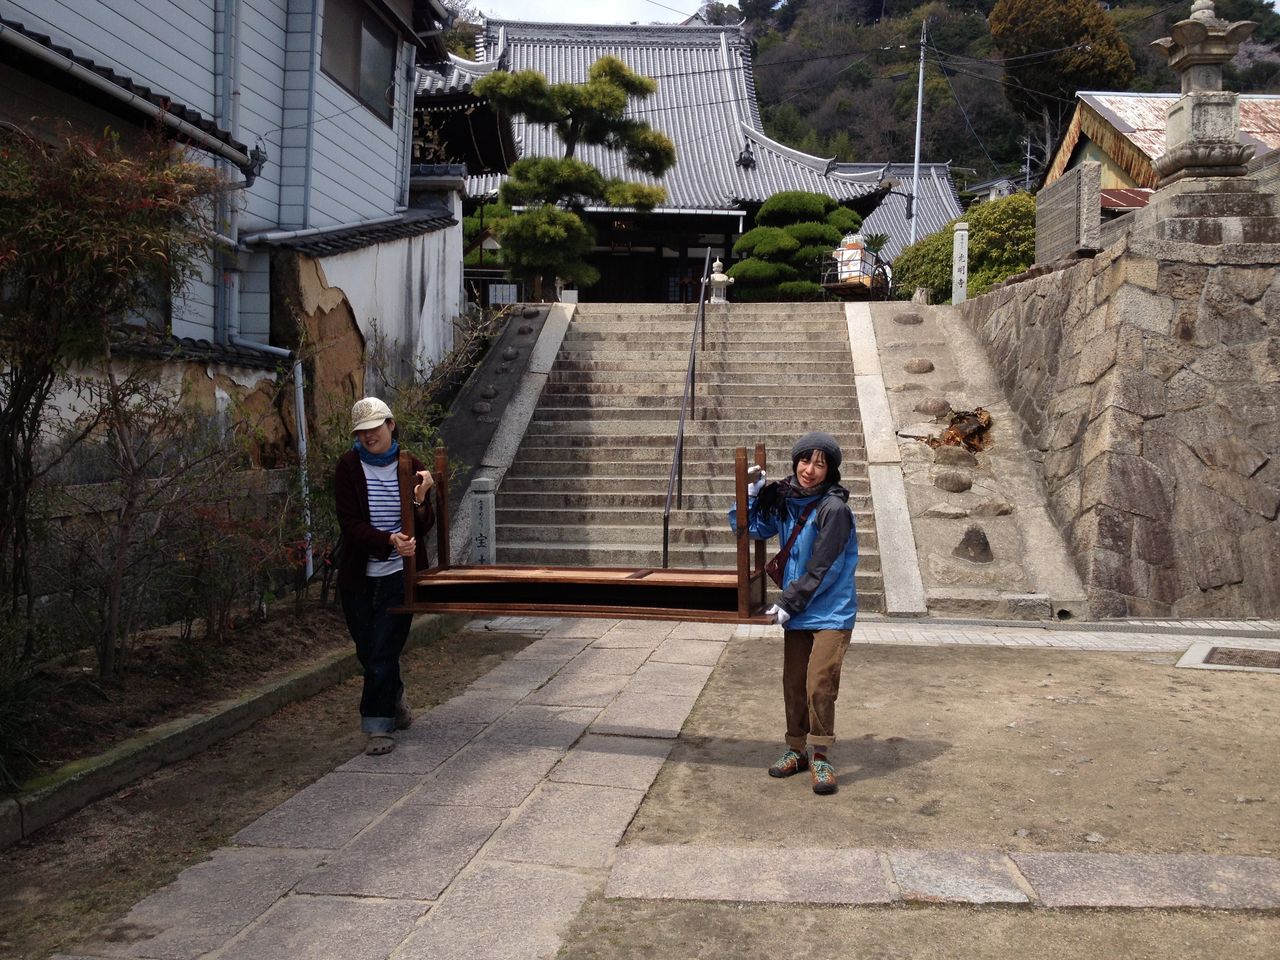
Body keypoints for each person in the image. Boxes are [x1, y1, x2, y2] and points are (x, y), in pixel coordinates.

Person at [728, 431, 859, 795]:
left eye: (820, 464)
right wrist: (749, 496)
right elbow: (749, 530)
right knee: (794, 683)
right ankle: (796, 749)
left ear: (830, 471)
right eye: (805, 460)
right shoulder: (787, 500)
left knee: (819, 683)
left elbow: (826, 566)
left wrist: (789, 602)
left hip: (831, 611)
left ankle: (820, 754)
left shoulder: (834, 510)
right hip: (799, 610)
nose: (810, 470)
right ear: (796, 462)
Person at [334, 397, 435, 756]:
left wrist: (420, 499)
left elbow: (425, 524)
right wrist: (388, 540)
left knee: (382, 652)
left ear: (390, 425)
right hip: (359, 576)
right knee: (368, 651)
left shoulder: (411, 464)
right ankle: (395, 698)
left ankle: (378, 727)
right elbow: (350, 524)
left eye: (374, 428)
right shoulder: (348, 467)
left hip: (398, 575)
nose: (368, 436)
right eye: (361, 431)